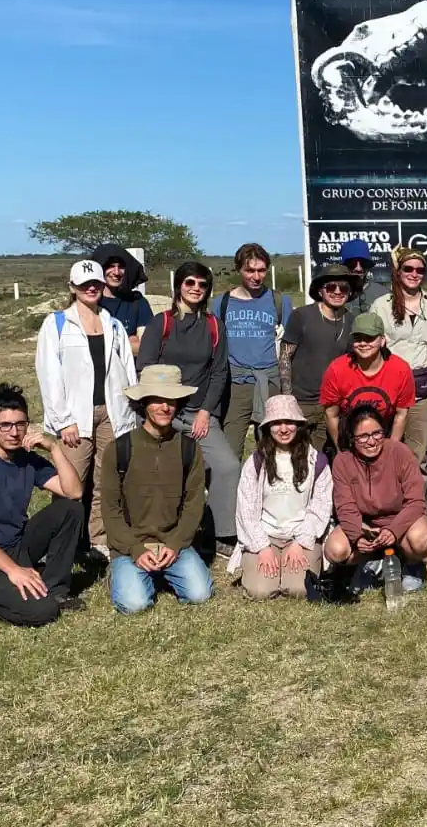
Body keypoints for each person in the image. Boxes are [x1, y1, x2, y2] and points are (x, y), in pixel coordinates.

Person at [0, 383, 85, 626]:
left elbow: (74, 492)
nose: (14, 432)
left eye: (20, 424)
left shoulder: (26, 459)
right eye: (5, 425)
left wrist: (54, 448)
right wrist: (13, 570)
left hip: (14, 546)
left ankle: (56, 589)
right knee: (42, 611)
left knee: (71, 509)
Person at [137, 260, 242, 556]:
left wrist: (206, 412)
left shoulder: (213, 326)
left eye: (202, 284)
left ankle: (222, 533)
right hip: (163, 410)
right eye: (190, 283)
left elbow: (219, 372)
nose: (196, 288)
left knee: (227, 466)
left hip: (199, 413)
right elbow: (145, 367)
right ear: (178, 286)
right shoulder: (161, 323)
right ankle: (155, 530)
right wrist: (159, 408)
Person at [35, 259, 137, 558]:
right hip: (75, 417)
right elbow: (49, 374)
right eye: (84, 284)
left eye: (95, 284)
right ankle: (62, 542)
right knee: (71, 483)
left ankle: (98, 541)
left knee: (107, 480)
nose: (91, 289)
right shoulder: (56, 324)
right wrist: (63, 420)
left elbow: (127, 371)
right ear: (72, 287)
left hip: (112, 413)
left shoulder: (113, 324)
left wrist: (129, 411)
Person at [103, 365, 214, 614]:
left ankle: (161, 573)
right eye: (157, 400)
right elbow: (110, 509)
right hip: (130, 546)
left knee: (200, 594)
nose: (165, 407)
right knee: (134, 604)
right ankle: (121, 573)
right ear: (143, 402)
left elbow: (194, 504)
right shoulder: (119, 449)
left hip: (173, 544)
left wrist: (175, 544)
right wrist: (134, 549)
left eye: (172, 401)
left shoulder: (189, 448)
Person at [323, 405, 427, 592]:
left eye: (377, 433)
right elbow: (345, 506)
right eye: (363, 436)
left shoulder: (400, 452)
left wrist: (394, 530)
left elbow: (416, 501)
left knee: (422, 539)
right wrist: (357, 535)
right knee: (335, 550)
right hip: (365, 525)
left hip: (399, 521)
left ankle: (410, 563)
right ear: (352, 438)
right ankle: (372, 561)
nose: (371, 441)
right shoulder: (342, 461)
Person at [233, 395, 333, 600]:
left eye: (289, 422)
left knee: (300, 589)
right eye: (277, 423)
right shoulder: (256, 462)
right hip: (265, 534)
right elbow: (246, 509)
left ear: (299, 425)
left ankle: (289, 571)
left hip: (300, 535)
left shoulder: (317, 461)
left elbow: (320, 507)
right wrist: (263, 547)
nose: (284, 429)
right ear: (268, 427)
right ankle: (265, 567)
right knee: (260, 591)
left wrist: (300, 543)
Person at [370, 246, 427, 485]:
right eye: (408, 268)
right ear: (398, 271)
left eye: (420, 270)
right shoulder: (381, 306)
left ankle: (415, 501)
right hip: (390, 386)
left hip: (426, 386)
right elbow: (372, 347)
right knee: (385, 446)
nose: (414, 274)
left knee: (419, 452)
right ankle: (386, 497)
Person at [216, 243, 294, 463]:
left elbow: (289, 346)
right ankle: (232, 486)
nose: (256, 276)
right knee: (230, 453)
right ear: (238, 270)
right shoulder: (222, 303)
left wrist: (287, 389)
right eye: (250, 270)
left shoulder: (280, 301)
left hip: (270, 382)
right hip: (235, 384)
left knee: (273, 450)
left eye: (261, 270)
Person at [279, 263, 365, 451]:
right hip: (302, 401)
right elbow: (285, 356)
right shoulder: (301, 315)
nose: (337, 292)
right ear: (320, 290)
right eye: (331, 287)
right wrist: (288, 399)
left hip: (334, 404)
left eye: (343, 288)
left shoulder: (352, 321)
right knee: (295, 455)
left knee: (324, 457)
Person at [319, 313, 416, 451]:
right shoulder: (337, 369)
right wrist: (341, 451)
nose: (363, 343)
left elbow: (401, 415)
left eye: (370, 338)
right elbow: (331, 414)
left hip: (385, 434)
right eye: (358, 338)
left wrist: (390, 450)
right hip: (349, 436)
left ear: (382, 340)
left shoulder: (401, 369)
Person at [92, 244, 154, 355]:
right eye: (110, 266)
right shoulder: (91, 301)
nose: (116, 272)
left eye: (121, 267)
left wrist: (108, 344)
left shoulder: (136, 301)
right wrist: (128, 341)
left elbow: (148, 346)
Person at [338, 238, 377, 311]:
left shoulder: (384, 294)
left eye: (363, 263)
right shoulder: (332, 296)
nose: (358, 269)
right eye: (352, 263)